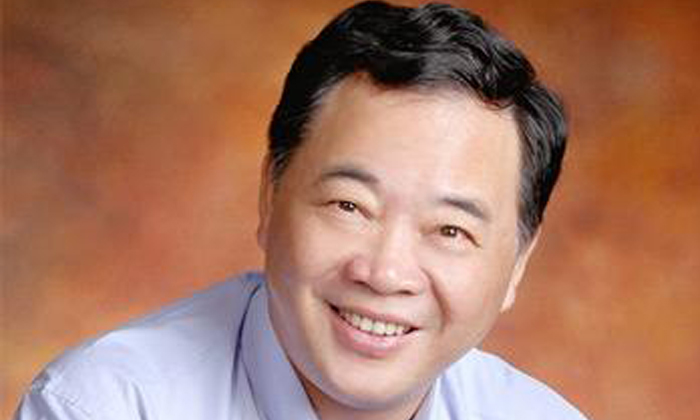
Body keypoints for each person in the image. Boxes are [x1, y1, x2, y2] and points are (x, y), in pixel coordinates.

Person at [15, 2, 589, 419]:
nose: (385, 272)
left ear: (517, 263)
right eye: (350, 205)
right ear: (271, 195)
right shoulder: (102, 406)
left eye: (450, 230)